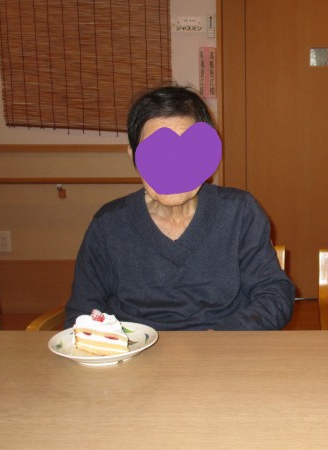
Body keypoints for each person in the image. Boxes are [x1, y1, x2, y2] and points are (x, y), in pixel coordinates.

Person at [65, 85, 294, 330]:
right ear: (134, 156)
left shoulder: (239, 212)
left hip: (223, 345)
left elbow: (274, 294)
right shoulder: (109, 225)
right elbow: (83, 312)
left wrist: (218, 339)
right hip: (135, 349)